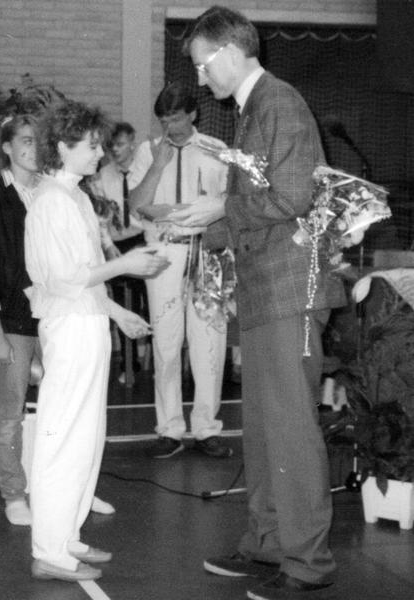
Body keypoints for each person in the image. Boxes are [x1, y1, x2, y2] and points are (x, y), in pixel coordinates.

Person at [171, 7, 346, 600]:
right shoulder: (254, 110)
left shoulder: (279, 103)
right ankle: (268, 543)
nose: (200, 80)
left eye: (202, 65)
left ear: (228, 52)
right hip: (267, 290)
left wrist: (219, 210)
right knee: (266, 432)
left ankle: (308, 563)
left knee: (291, 431)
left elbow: (292, 196)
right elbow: (262, 205)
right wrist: (202, 225)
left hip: (290, 291)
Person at [24, 100, 169, 582]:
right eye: (90, 146)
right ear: (62, 147)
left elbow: (87, 277)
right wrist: (126, 264)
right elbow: (63, 279)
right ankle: (48, 549)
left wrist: (118, 312)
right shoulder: (50, 201)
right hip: (68, 329)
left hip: (87, 324)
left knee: (86, 437)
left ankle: (66, 536)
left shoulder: (77, 197)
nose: (100, 154)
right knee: (63, 438)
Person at [0, 114, 117, 527]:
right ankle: (14, 492)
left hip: (57, 316)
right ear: (8, 147)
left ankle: (76, 489)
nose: (33, 149)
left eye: (38, 141)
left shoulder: (56, 191)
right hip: (13, 319)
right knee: (10, 410)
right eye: (25, 141)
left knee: (67, 410)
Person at [128, 81, 232, 459]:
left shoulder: (217, 150)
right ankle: (170, 428)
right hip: (165, 252)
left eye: (175, 118)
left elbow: (232, 203)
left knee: (209, 344)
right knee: (166, 343)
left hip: (208, 253)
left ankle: (206, 428)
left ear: (192, 114)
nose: (169, 126)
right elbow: (136, 204)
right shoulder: (147, 151)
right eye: (163, 120)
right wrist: (158, 165)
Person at [89, 121, 148, 383]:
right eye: (111, 145)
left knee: (149, 303)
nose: (115, 150)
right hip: (117, 244)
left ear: (132, 143)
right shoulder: (102, 175)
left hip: (142, 239)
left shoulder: (143, 171)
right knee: (123, 304)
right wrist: (108, 245)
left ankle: (153, 357)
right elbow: (100, 218)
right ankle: (128, 363)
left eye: (121, 144)